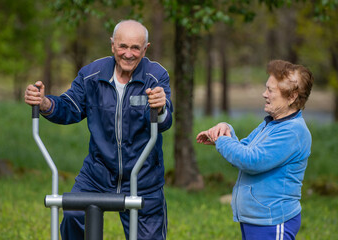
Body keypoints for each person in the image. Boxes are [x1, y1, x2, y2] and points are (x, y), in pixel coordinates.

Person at [25, 19, 173, 240]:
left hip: (143, 177)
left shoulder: (155, 76)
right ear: (112, 45)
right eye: (123, 46)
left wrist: (160, 107)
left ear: (145, 49)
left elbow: (164, 121)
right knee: (73, 212)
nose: (128, 54)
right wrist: (45, 103)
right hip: (97, 173)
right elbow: (69, 108)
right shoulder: (91, 74)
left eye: (135, 48)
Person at [196, 59, 314, 240]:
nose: (264, 94)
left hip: (273, 221)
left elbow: (251, 161)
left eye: (271, 90)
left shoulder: (293, 132)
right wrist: (225, 130)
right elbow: (244, 150)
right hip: (257, 218)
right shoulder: (272, 123)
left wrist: (222, 141)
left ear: (292, 97)